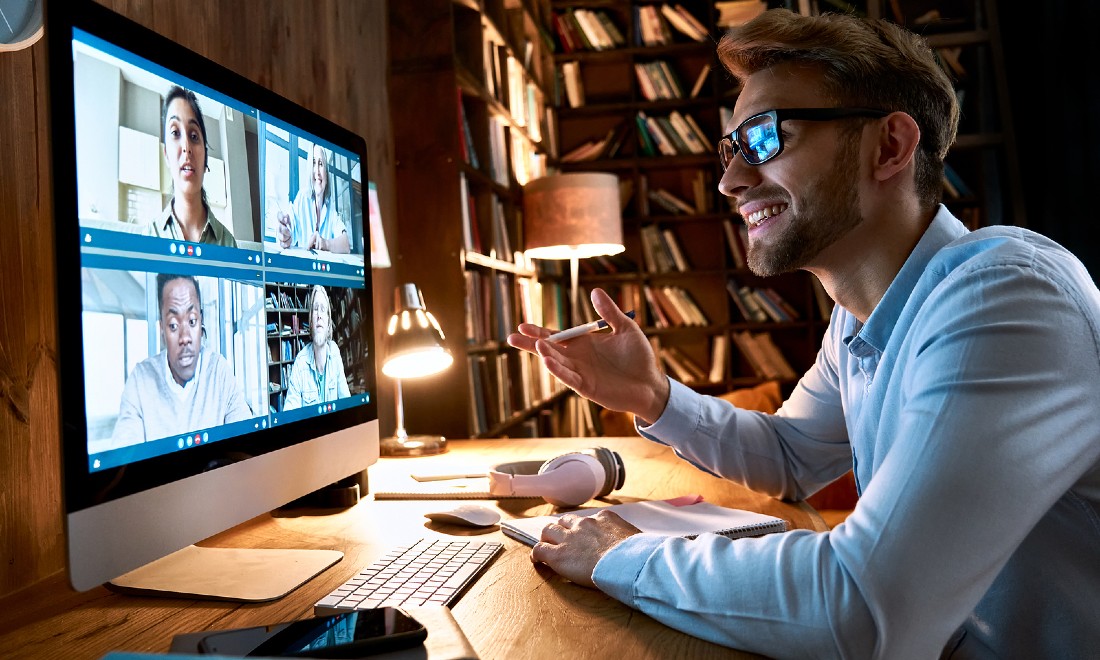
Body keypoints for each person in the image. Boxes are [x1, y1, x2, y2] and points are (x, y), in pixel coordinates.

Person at [507, 9, 1100, 658]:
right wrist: (653, 396)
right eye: (730, 151)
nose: (731, 182)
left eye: (763, 139)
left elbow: (862, 609)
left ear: (890, 147)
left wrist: (622, 555)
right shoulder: (859, 316)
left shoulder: (1005, 297)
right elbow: (792, 457)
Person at [110, 273, 253, 447]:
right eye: (173, 325)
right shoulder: (141, 380)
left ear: (201, 322)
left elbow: (247, 444)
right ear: (162, 330)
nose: (185, 337)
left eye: (192, 321)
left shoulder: (218, 369)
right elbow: (125, 457)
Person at [146, 86, 237, 247]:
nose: (186, 146)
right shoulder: (149, 237)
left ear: (205, 157)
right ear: (166, 154)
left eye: (194, 136)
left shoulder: (228, 243)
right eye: (175, 133)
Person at [283, 284, 351, 410]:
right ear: (311, 322)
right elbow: (290, 414)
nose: (319, 314)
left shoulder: (334, 352)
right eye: (315, 309)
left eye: (323, 309)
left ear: (328, 322)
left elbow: (346, 403)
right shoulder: (300, 362)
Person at [276, 144, 351, 253]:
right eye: (313, 163)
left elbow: (346, 245)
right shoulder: (302, 197)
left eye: (321, 164)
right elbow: (289, 227)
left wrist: (325, 243)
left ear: (326, 171)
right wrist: (284, 233)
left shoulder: (330, 206)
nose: (317, 171)